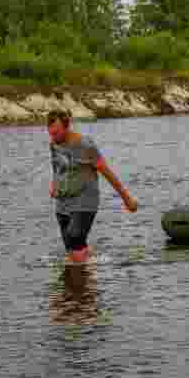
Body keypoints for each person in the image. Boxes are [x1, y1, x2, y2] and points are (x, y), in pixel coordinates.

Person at [47, 109, 137, 264]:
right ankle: (87, 275)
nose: (53, 137)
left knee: (75, 237)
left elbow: (106, 171)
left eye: (56, 133)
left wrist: (126, 198)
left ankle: (81, 284)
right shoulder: (54, 144)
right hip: (63, 201)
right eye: (51, 133)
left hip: (85, 200)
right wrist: (54, 184)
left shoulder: (85, 145)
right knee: (71, 248)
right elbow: (56, 165)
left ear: (67, 127)